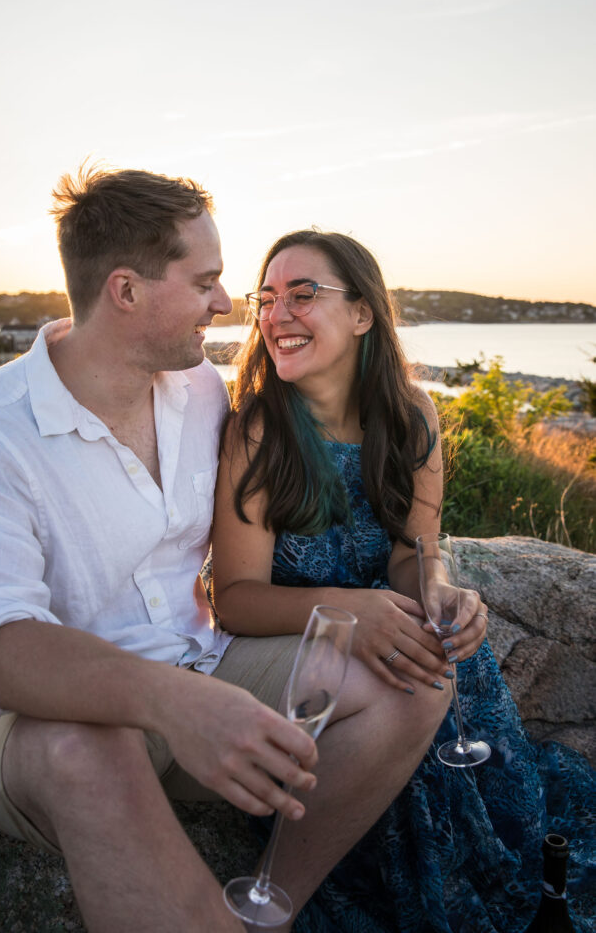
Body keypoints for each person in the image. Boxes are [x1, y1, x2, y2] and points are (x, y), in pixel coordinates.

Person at [0, 167, 453, 933]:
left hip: (201, 668)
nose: (230, 305)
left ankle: (270, 903)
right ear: (126, 292)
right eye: (206, 281)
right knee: (91, 751)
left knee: (412, 680)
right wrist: (170, 700)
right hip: (38, 722)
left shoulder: (201, 389)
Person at [210, 229, 596, 932]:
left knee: (448, 677)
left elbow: (411, 548)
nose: (275, 314)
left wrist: (440, 585)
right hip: (306, 646)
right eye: (265, 298)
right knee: (408, 684)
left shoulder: (411, 412)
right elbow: (233, 602)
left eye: (303, 295)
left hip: (400, 631)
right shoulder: (258, 430)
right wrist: (356, 614)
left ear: (362, 314)